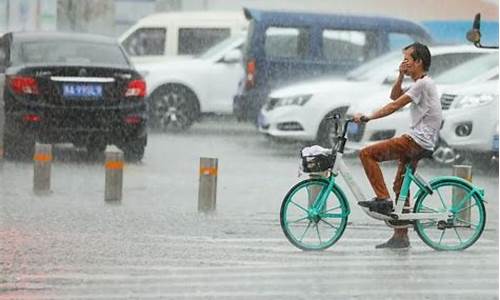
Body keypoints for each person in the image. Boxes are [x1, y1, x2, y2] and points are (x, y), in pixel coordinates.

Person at [352, 42, 443, 249]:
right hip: (419, 141)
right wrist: (400, 75)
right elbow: (395, 95)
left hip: (416, 141)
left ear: (418, 61)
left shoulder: (424, 84)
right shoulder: (421, 83)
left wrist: (368, 117)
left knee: (367, 153)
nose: (404, 63)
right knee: (401, 187)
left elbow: (394, 105)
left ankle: (383, 199)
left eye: (407, 60)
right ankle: (401, 237)